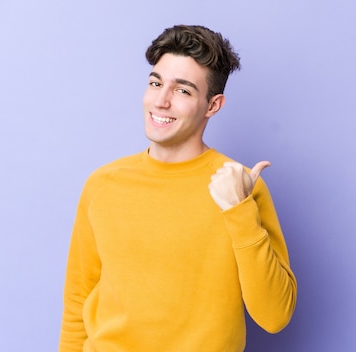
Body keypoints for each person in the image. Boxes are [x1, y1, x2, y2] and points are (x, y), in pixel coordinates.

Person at [59, 24, 297, 352]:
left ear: (213, 106)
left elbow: (275, 316)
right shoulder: (103, 184)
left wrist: (239, 212)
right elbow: (77, 301)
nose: (161, 101)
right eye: (156, 83)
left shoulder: (240, 186)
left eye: (182, 90)